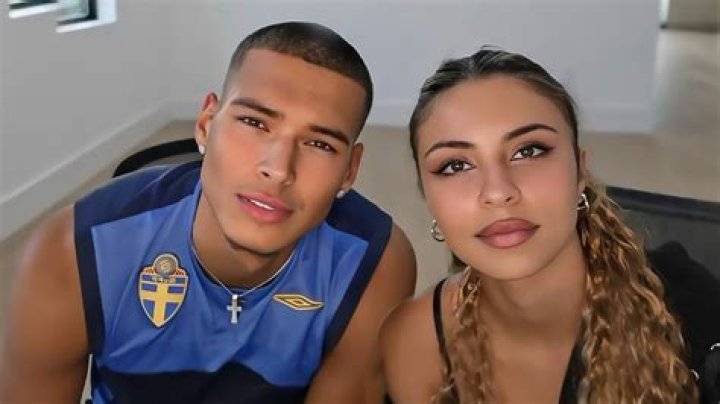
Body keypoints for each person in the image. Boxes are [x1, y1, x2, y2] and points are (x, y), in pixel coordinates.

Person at [0, 21, 416, 403]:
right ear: (205, 124)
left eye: (320, 144)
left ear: (350, 171)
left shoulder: (375, 262)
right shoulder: (75, 249)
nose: (278, 169)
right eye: (255, 123)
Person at [380, 48, 720, 403]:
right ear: (428, 197)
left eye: (528, 151)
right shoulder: (414, 341)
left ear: (580, 171)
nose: (498, 192)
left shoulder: (686, 306)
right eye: (455, 166)